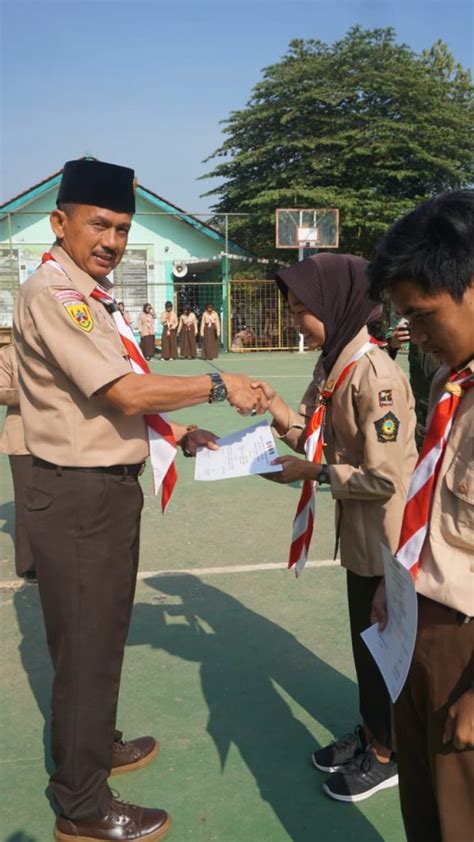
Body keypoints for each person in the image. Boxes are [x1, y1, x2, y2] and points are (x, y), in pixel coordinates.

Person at [13, 157, 267, 842]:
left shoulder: (89, 294)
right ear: (59, 222)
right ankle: (82, 805)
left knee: (101, 639)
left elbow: (108, 401)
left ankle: (96, 748)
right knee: (87, 650)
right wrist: (219, 385)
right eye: (100, 224)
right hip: (77, 497)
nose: (113, 240)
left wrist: (179, 431)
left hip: (102, 493)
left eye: (123, 228)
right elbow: (123, 392)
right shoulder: (55, 294)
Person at [253, 253, 418, 803]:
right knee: (364, 643)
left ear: (339, 307)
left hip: (386, 537)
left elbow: (388, 479)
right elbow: (311, 435)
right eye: (296, 308)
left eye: (305, 310)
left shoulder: (377, 376)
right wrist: (273, 405)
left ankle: (390, 752)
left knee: (383, 647)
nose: (298, 319)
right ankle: (371, 732)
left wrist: (318, 473)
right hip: (357, 533)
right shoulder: (333, 364)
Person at [368, 190, 474, 842]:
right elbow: (430, 498)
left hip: (467, 650)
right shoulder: (450, 382)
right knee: (425, 814)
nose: (416, 334)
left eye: (424, 315)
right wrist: (396, 581)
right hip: (416, 633)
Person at [0, 342, 36, 582]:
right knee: (27, 502)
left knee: (63, 501)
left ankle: (59, 559)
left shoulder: (58, 347)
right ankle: (29, 563)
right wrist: (31, 393)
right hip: (22, 438)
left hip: (62, 439)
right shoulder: (9, 354)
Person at [387, 318, 440, 448]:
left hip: (452, 406)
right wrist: (392, 345)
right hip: (420, 411)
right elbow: (383, 353)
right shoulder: (415, 320)